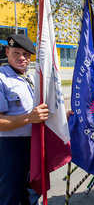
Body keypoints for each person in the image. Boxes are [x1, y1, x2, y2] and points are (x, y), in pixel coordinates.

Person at [0, 34, 49, 205]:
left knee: (32, 194)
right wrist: (30, 118)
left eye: (26, 54)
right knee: (10, 196)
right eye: (16, 53)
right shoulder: (2, 79)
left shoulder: (31, 78)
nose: (22, 58)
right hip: (11, 148)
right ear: (7, 52)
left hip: (34, 144)